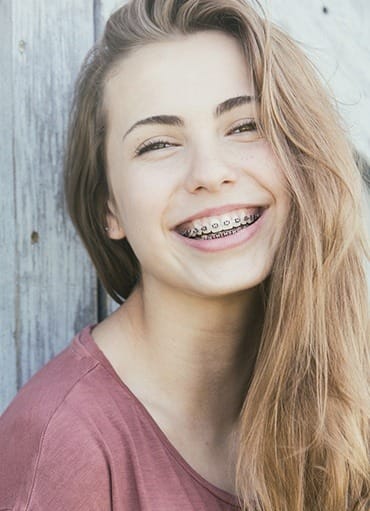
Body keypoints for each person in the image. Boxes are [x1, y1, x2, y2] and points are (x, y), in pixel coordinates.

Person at [0, 0, 369, 509]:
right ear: (110, 207)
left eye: (244, 126)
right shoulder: (64, 444)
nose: (209, 172)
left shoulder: (348, 386)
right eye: (157, 144)